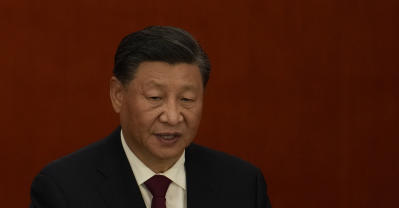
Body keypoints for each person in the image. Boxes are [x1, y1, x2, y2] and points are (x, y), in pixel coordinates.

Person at [30, 26, 271, 208]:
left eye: (186, 99)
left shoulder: (243, 186)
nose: (173, 117)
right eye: (155, 97)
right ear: (118, 95)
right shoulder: (63, 190)